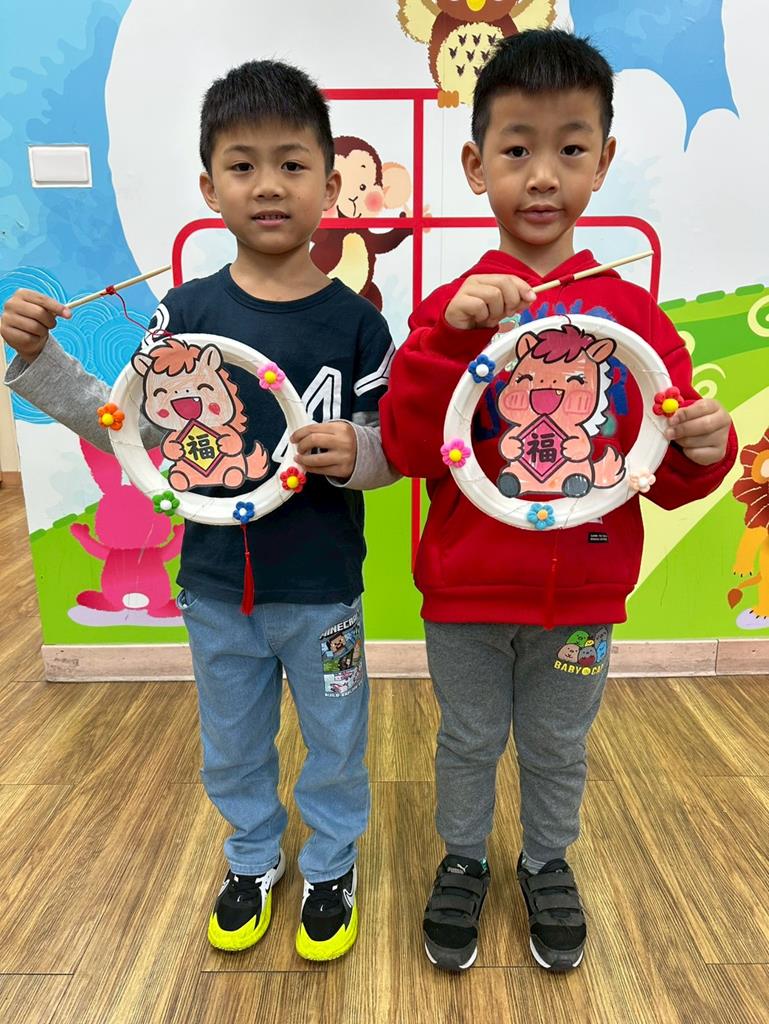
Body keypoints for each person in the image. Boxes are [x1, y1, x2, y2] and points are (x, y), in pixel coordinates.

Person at [1, 59, 399, 962]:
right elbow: (129, 429)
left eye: (292, 164)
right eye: (243, 165)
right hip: (215, 587)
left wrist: (361, 453)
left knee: (337, 740)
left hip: (323, 590)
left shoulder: (358, 324)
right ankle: (252, 857)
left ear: (329, 185)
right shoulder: (183, 311)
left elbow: (390, 446)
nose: (269, 185)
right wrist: (40, 361)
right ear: (209, 187)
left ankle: (331, 863)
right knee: (231, 744)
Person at [379, 29, 736, 973]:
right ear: (476, 165)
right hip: (465, 593)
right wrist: (449, 343)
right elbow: (410, 449)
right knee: (466, 741)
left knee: (556, 744)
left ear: (602, 162)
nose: (542, 175)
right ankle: (462, 859)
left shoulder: (634, 318)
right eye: (516, 149)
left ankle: (545, 861)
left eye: (570, 148)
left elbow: (666, 468)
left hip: (581, 597)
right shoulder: (447, 308)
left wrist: (707, 447)